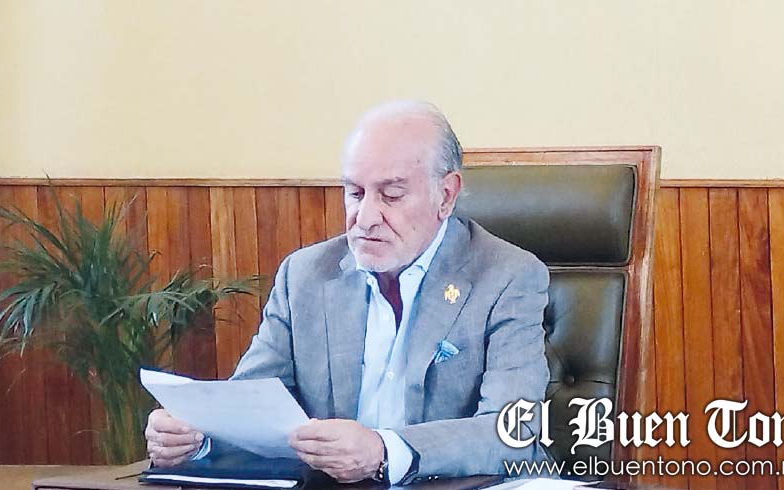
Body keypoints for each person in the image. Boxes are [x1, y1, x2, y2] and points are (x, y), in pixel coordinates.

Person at [144, 100, 550, 485]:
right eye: (355, 193)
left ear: (445, 195)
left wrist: (384, 451)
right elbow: (253, 405)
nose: (366, 218)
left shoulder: (507, 276)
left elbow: (512, 431)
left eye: (391, 195)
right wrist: (198, 436)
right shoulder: (305, 275)